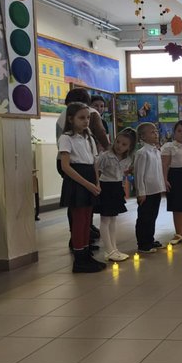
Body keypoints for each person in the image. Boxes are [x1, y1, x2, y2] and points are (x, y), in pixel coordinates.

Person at [57, 102, 105, 273]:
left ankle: (86, 254)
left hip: (90, 178)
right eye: (81, 118)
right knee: (79, 220)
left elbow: (94, 162)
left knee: (87, 220)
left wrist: (97, 183)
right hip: (77, 180)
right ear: (71, 119)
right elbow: (66, 166)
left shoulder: (89, 138)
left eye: (88, 118)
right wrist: (88, 184)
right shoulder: (66, 138)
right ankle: (79, 260)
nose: (86, 121)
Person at [95, 129, 136, 261]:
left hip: (116, 187)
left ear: (129, 147)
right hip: (106, 187)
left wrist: (126, 175)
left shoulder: (127, 159)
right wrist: (97, 185)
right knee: (105, 220)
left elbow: (121, 172)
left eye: (124, 144)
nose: (119, 146)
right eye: (118, 142)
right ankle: (109, 250)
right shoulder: (106, 156)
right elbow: (97, 170)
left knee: (113, 220)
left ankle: (113, 248)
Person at [134, 123, 165, 253]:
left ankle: (150, 239)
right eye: (152, 132)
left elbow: (158, 171)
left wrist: (162, 187)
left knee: (153, 216)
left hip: (155, 190)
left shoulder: (156, 151)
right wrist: (141, 192)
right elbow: (139, 174)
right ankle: (143, 243)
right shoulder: (142, 153)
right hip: (146, 192)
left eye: (156, 131)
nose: (156, 134)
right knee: (144, 217)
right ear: (143, 136)